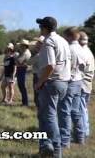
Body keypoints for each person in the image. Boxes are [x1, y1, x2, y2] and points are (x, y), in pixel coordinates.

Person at [35, 16, 71, 158]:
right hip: (63, 82)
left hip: (51, 82)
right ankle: (45, 147)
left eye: (40, 27)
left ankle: (56, 151)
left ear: (44, 28)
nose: (39, 29)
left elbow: (51, 65)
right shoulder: (63, 40)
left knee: (49, 116)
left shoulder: (49, 41)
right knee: (45, 115)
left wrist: (40, 82)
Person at [58, 27, 86, 148]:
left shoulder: (69, 49)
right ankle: (80, 137)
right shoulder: (82, 48)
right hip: (79, 81)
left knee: (65, 112)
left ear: (68, 36)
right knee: (76, 111)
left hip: (70, 82)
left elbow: (66, 67)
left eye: (64, 36)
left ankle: (65, 142)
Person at [79, 31, 94, 138]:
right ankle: (85, 131)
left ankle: (83, 132)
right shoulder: (88, 51)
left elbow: (78, 71)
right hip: (87, 84)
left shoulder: (83, 53)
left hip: (82, 84)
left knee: (81, 109)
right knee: (83, 108)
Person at [28, 36, 44, 107]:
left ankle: (39, 109)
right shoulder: (45, 53)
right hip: (43, 75)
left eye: (38, 43)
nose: (36, 44)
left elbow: (29, 62)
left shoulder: (38, 55)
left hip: (38, 76)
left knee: (37, 94)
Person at [16, 39, 31, 106]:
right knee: (21, 86)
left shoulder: (26, 53)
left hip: (23, 70)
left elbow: (19, 62)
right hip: (21, 70)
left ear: (25, 46)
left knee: (22, 86)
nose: (20, 47)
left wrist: (16, 59)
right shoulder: (23, 53)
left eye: (21, 45)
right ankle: (24, 102)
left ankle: (25, 103)